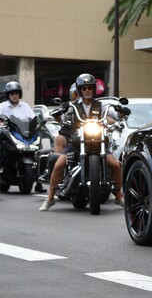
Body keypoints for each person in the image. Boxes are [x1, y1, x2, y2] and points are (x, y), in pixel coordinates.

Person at [39, 74, 125, 211]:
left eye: (90, 88)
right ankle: (50, 198)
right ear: (79, 90)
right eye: (84, 88)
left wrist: (121, 113)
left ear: (94, 89)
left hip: (97, 142)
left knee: (115, 165)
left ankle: (119, 195)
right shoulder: (72, 106)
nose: (87, 91)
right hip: (77, 144)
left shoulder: (101, 105)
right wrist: (58, 115)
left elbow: (114, 114)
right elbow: (63, 118)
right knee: (58, 165)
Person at [0, 81, 36, 169]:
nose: (14, 96)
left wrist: (37, 123)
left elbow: (33, 118)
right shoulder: (2, 106)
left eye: (16, 93)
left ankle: (38, 168)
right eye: (12, 93)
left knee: (37, 139)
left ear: (19, 94)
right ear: (8, 95)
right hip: (7, 133)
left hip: (22, 134)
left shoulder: (25, 106)